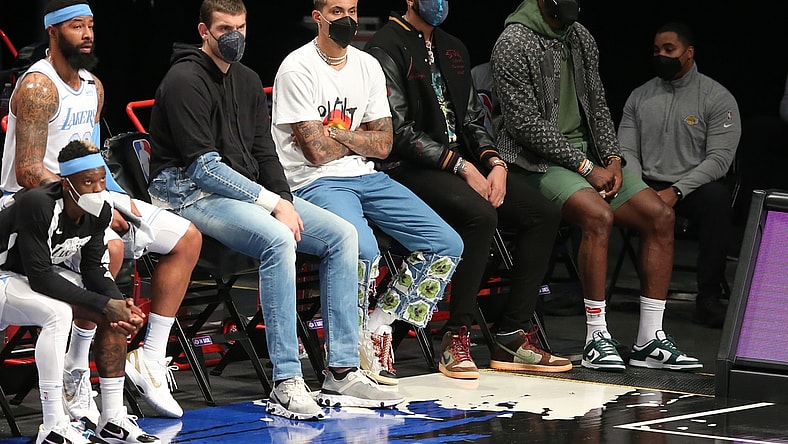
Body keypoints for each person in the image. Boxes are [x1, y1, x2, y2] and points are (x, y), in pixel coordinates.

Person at [147, 0, 403, 420]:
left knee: (343, 235)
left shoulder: (247, 79)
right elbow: (204, 169)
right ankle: (286, 380)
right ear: (204, 31)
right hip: (188, 195)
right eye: (225, 28)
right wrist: (273, 203)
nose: (235, 36)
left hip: (243, 191)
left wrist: (283, 198)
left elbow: (265, 153)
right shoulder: (184, 80)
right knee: (278, 238)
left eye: (241, 26)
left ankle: (341, 370)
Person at [0, 0, 203, 420]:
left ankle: (149, 357)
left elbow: (92, 160)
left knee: (186, 237)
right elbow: (28, 171)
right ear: (53, 32)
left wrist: (121, 200)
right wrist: (98, 208)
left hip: (89, 193)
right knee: (110, 249)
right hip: (36, 204)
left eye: (91, 25)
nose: (88, 34)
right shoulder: (38, 87)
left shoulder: (94, 85)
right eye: (77, 26)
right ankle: (76, 371)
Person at [363, 0, 572, 380]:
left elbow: (474, 118)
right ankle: (455, 335)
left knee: (543, 214)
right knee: (480, 214)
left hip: (462, 164)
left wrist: (495, 164)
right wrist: (461, 167)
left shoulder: (453, 47)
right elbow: (399, 131)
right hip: (408, 167)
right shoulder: (385, 46)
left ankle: (511, 335)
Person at [490, 0, 702, 372]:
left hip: (588, 156)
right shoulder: (513, 42)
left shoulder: (581, 38)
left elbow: (598, 106)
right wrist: (586, 167)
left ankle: (649, 340)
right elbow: (524, 124)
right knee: (598, 216)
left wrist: (613, 158)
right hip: (533, 162)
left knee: (660, 216)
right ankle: (595, 337)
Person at [272, 0, 464, 386]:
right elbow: (315, 153)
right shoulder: (297, 68)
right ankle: (348, 350)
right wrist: (359, 137)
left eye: (352, 10)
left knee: (446, 243)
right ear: (318, 17)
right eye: (337, 11)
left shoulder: (367, 65)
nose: (347, 19)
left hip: (366, 176)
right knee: (362, 249)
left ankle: (377, 327)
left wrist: (337, 134)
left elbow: (385, 145)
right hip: (314, 181)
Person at [0, 140, 159, 444]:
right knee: (58, 313)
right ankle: (53, 427)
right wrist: (106, 304)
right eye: (88, 182)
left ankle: (113, 421)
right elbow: (41, 278)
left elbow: (93, 269)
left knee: (112, 313)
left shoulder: (100, 211)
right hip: (6, 275)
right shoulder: (38, 204)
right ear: (66, 183)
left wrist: (119, 305)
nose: (98, 189)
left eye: (101, 180)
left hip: (24, 277)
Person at [618, 22, 741, 329]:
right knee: (593, 196)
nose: (661, 55)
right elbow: (626, 150)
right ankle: (588, 294)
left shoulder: (717, 97)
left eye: (669, 49)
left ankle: (708, 298)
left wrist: (676, 191)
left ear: (689, 53)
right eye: (656, 50)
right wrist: (640, 189)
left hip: (693, 185)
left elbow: (719, 160)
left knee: (717, 200)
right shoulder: (639, 96)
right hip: (646, 183)